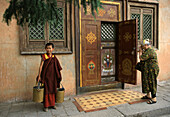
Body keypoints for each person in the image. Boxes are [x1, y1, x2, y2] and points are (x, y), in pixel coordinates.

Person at [37, 43, 62, 112]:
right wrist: (39, 76)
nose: (49, 49)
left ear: (53, 49)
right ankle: (46, 106)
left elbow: (57, 67)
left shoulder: (54, 57)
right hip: (46, 77)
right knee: (47, 91)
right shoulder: (44, 56)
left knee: (53, 89)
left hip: (53, 77)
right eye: (47, 48)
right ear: (45, 49)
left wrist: (58, 76)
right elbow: (41, 66)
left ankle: (52, 104)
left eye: (50, 48)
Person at [139, 39, 159, 104]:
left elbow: (142, 58)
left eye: (143, 46)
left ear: (146, 45)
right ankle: (148, 95)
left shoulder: (150, 51)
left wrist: (140, 52)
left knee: (152, 82)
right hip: (148, 69)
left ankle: (154, 98)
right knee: (147, 81)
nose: (142, 47)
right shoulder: (147, 50)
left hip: (152, 70)